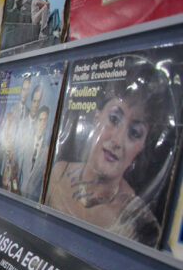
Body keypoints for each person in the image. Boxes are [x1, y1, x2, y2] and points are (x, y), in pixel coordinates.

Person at [45, 59, 175, 245]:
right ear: (97, 117)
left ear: (141, 148)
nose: (117, 141)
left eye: (134, 133)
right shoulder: (58, 172)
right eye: (114, 119)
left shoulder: (139, 224)